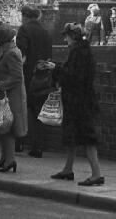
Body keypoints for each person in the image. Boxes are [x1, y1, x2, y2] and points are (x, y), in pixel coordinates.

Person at [40, 23, 104, 186]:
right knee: (72, 136)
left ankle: (96, 174)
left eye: (66, 35)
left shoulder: (78, 52)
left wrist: (56, 69)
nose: (64, 38)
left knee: (87, 137)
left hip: (80, 102)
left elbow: (74, 77)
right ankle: (68, 170)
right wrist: (57, 67)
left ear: (73, 36)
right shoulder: (83, 51)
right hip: (80, 100)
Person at [0, 22, 28, 173]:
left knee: (7, 128)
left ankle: (10, 160)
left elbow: (17, 78)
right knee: (2, 126)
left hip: (12, 96)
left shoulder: (13, 53)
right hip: (4, 93)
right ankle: (4, 158)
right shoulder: (5, 51)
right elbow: (4, 71)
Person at [15, 4, 52, 157]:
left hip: (27, 76)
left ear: (25, 16)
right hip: (43, 77)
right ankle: (38, 147)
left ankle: (19, 142)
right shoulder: (45, 32)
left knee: (21, 109)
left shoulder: (24, 30)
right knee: (38, 112)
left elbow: (20, 54)